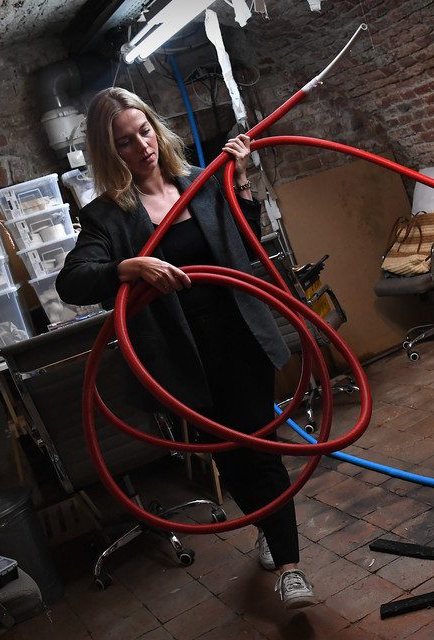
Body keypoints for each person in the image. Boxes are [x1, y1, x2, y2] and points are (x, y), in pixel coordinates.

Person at [57, 87, 315, 609]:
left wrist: (239, 182)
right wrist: (128, 267)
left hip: (239, 335)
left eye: (145, 131)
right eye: (125, 142)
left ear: (157, 127)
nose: (142, 146)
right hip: (181, 360)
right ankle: (265, 526)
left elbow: (243, 248)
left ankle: (290, 566)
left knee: (258, 446)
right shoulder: (108, 216)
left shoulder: (202, 181)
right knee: (232, 454)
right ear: (112, 154)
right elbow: (72, 283)